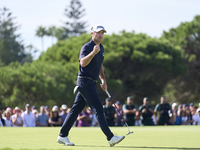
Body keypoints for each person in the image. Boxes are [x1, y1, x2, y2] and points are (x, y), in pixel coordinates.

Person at [57, 25, 125, 147]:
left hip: (91, 82)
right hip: (85, 81)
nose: (101, 35)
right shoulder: (87, 47)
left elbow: (100, 65)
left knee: (75, 110)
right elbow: (82, 63)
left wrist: (103, 80)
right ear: (92, 34)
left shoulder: (101, 48)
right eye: (98, 32)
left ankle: (62, 135)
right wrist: (93, 53)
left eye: (102, 33)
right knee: (98, 108)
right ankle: (110, 137)